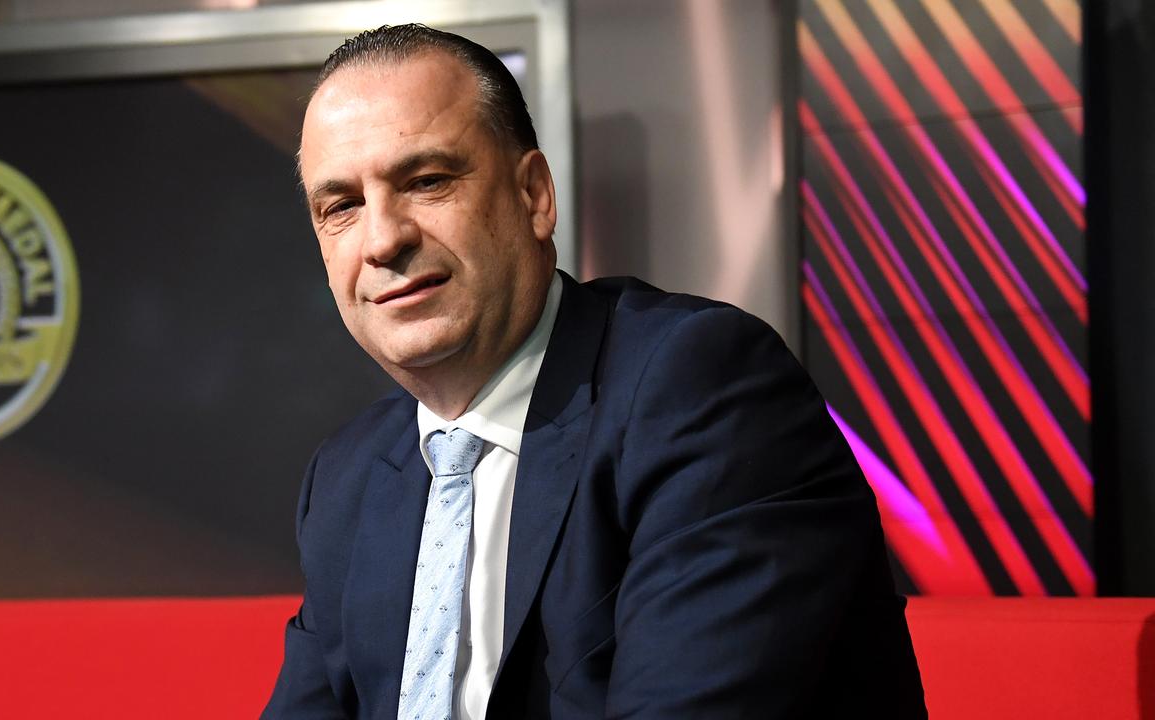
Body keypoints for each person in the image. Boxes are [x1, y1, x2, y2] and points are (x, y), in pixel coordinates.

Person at [264, 23, 926, 720]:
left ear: (535, 195)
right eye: (341, 206)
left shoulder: (703, 391)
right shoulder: (346, 478)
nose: (383, 238)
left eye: (427, 181)